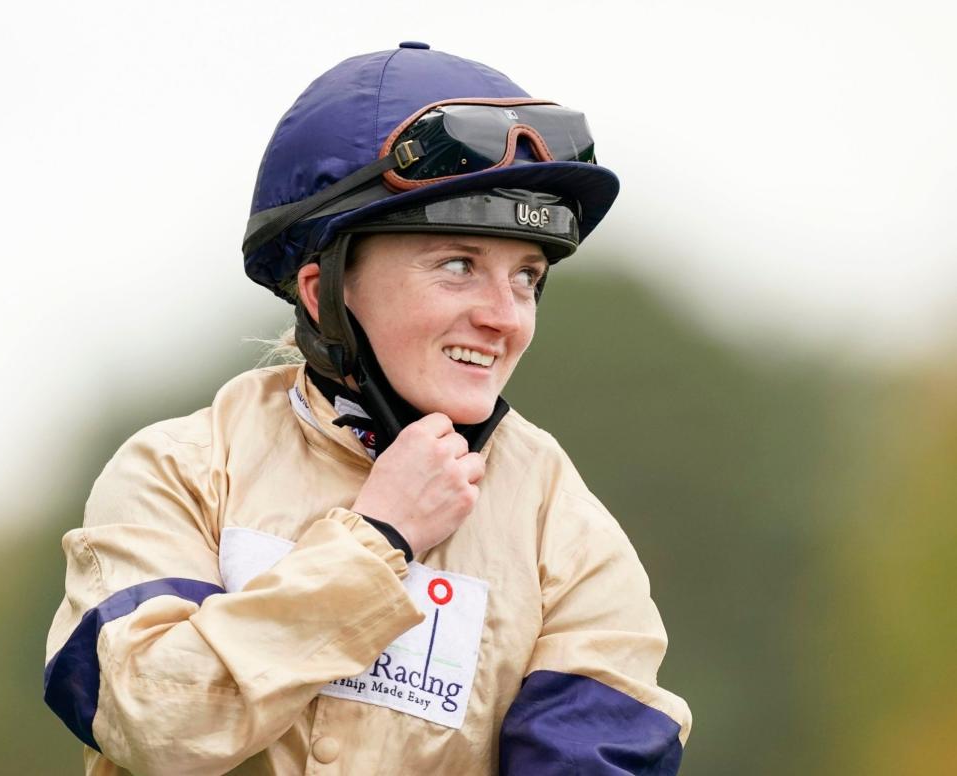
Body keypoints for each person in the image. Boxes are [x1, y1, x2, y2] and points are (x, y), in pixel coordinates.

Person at [43, 42, 692, 775]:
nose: (505, 318)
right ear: (325, 292)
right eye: (459, 265)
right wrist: (377, 539)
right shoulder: (179, 470)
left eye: (527, 278)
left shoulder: (560, 521)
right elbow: (150, 723)